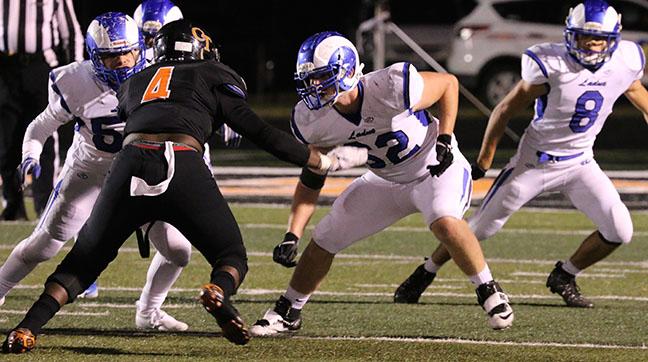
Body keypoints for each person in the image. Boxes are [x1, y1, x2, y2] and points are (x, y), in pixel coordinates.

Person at [1, 19, 367, 353]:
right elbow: (259, 132)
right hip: (178, 160)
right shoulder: (213, 73)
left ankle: (27, 327)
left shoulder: (134, 83)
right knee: (231, 255)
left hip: (126, 165)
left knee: (83, 262)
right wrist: (318, 160)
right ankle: (218, 290)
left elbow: (147, 116)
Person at [249, 31, 515, 338]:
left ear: (346, 69)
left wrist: (445, 138)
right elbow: (312, 176)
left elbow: (448, 85)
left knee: (444, 219)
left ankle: (488, 289)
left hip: (435, 167)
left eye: (321, 78)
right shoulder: (313, 119)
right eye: (309, 80)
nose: (314, 87)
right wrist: (292, 233)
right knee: (325, 236)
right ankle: (289, 311)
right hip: (385, 179)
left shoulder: (391, 84)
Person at [393, 0, 648, 308]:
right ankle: (426, 271)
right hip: (535, 163)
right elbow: (504, 110)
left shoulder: (626, 60)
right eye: (585, 38)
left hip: (581, 162)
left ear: (613, 39)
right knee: (478, 229)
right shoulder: (551, 63)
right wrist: (486, 157)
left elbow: (636, 92)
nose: (592, 47)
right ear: (570, 35)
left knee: (620, 229)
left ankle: (564, 275)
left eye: (599, 40)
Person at [0, 12, 191, 334]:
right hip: (92, 169)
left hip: (141, 172)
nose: (120, 62)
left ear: (139, 48)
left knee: (178, 250)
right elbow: (41, 124)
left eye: (126, 52)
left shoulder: (158, 74)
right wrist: (31, 155)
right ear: (93, 57)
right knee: (44, 245)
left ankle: (148, 311)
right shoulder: (75, 80)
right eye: (109, 56)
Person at [0, 0, 84, 220]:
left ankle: (44, 204)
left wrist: (77, 74)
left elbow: (72, 32)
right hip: (6, 68)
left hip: (40, 67)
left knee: (45, 136)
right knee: (5, 140)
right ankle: (12, 205)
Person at [132, 0, 242, 147]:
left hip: (187, 144)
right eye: (147, 39)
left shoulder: (191, 64)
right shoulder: (128, 65)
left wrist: (227, 110)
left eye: (158, 38)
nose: (153, 46)